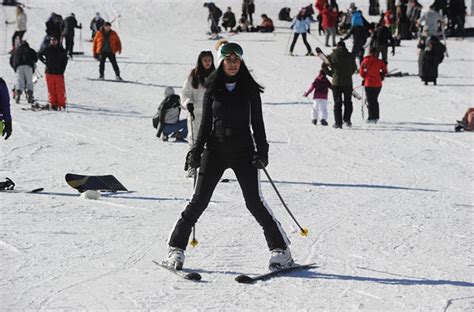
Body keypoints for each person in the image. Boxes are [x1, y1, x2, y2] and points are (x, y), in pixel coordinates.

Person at [163, 42, 293, 271]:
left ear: (241, 62)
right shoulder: (212, 88)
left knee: (254, 203)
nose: (232, 64)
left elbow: (258, 124)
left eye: (236, 60)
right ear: (221, 61)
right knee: (198, 201)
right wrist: (195, 150)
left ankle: (281, 251)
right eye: (228, 60)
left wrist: (263, 151)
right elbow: (204, 125)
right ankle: (176, 249)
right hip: (215, 150)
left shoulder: (249, 89)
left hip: (244, 151)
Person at [181, 51, 216, 178]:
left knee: (211, 141)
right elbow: (185, 93)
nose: (207, 63)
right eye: (205, 60)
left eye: (209, 60)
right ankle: (192, 166)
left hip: (211, 113)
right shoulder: (193, 76)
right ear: (200, 61)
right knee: (194, 139)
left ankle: (208, 166)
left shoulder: (216, 76)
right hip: (195, 112)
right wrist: (188, 103)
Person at [324, 40, 357, 128]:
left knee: (337, 103)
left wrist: (331, 74)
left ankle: (338, 123)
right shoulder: (350, 56)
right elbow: (354, 68)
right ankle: (347, 119)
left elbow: (323, 65)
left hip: (336, 83)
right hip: (348, 82)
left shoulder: (332, 56)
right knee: (348, 102)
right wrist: (349, 74)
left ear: (337, 46)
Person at [38, 36, 68, 110]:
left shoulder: (61, 49)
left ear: (57, 41)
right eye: (52, 40)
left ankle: (61, 104)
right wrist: (45, 61)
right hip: (49, 72)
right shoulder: (48, 49)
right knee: (51, 89)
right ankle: (53, 104)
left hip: (58, 73)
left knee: (60, 89)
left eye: (55, 40)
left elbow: (65, 60)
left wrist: (62, 70)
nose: (53, 41)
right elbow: (39, 54)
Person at [359, 47, 387, 123]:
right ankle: (376, 116)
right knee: (374, 100)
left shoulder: (365, 61)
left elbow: (361, 73)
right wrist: (381, 75)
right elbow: (385, 70)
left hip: (369, 84)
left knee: (370, 101)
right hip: (378, 84)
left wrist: (365, 77)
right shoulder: (379, 61)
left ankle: (371, 117)